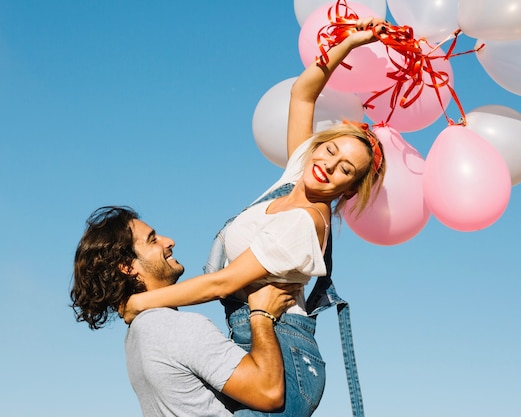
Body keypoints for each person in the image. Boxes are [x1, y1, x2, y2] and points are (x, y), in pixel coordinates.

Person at [122, 17, 389, 417]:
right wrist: (350, 42)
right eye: (331, 151)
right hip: (256, 340)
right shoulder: (300, 169)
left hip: (286, 355)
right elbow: (303, 94)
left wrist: (141, 304)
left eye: (346, 170)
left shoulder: (304, 224)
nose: (329, 166)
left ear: (348, 190)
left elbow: (223, 282)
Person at [70, 206, 300, 417]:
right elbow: (268, 392)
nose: (169, 241)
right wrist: (261, 315)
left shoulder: (137, 334)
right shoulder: (173, 327)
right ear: (128, 267)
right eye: (152, 240)